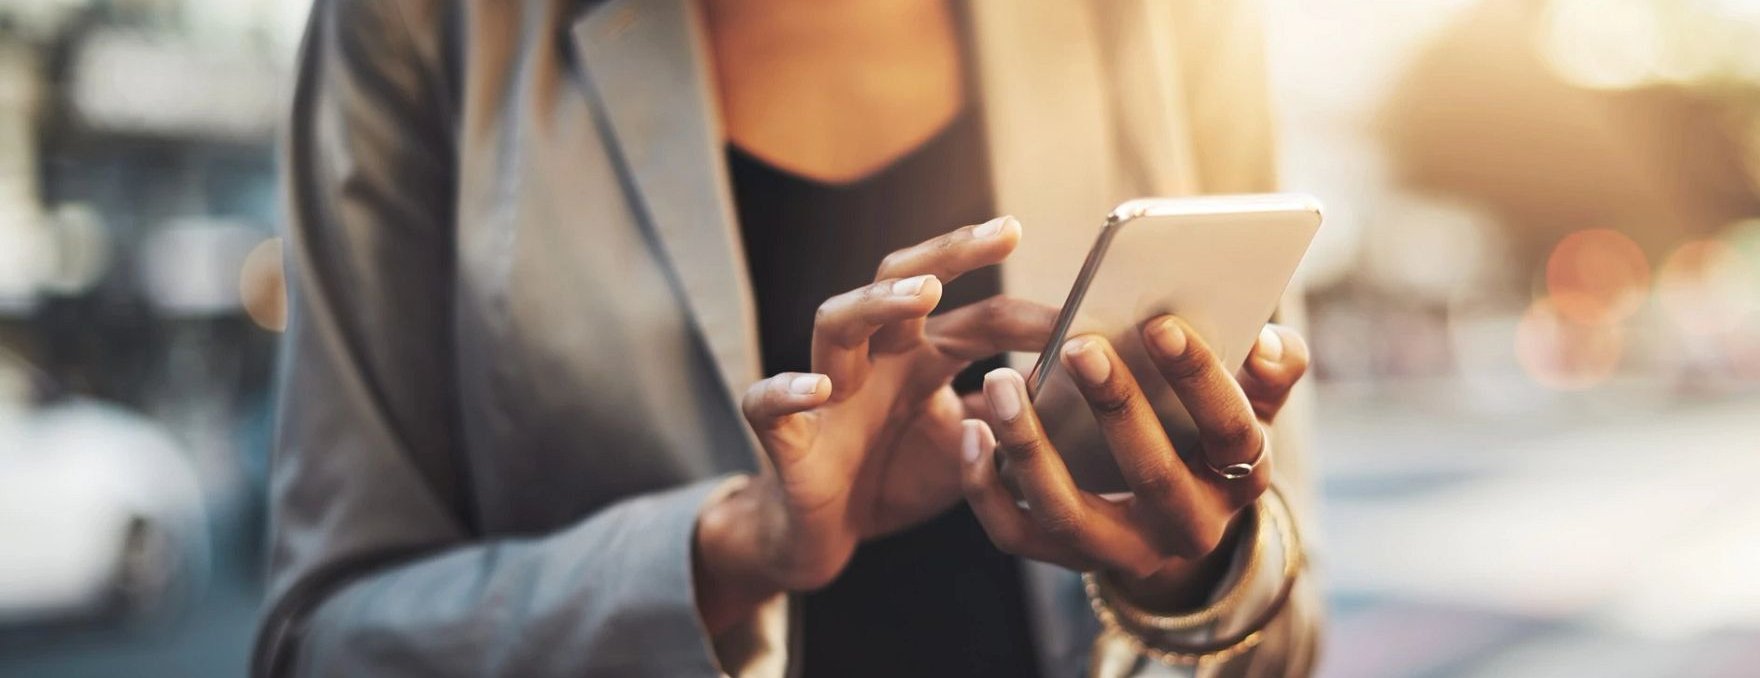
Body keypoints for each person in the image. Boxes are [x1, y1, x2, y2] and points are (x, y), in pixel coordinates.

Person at [257, 0, 1320, 675]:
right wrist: (731, 551)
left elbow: (1285, 620)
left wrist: (1184, 582)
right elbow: (318, 640)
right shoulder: (419, 27)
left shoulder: (1173, 22)